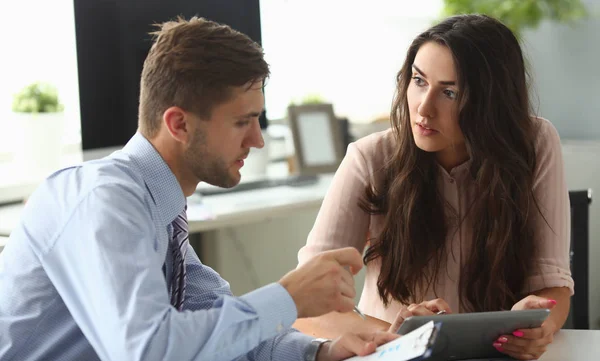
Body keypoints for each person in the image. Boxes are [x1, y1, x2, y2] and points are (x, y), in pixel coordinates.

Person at [0, 17, 399, 361]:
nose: (258, 141)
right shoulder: (104, 202)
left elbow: (217, 327)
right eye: (243, 122)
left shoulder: (159, 208)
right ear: (179, 125)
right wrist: (288, 297)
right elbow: (150, 351)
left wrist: (319, 352)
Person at [298, 14, 573, 361]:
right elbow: (307, 305)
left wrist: (540, 325)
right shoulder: (370, 157)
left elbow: (554, 285)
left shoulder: (535, 143)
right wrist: (394, 334)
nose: (423, 109)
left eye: (450, 92)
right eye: (418, 80)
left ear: (491, 100)